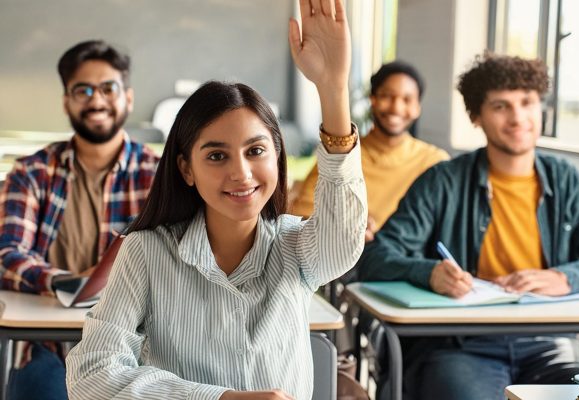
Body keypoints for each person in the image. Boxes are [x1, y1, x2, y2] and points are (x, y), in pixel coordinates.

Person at [65, 1, 367, 399]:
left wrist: (333, 89)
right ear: (186, 169)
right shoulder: (147, 251)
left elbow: (343, 243)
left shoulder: (295, 245)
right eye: (216, 156)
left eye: (256, 151)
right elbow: (91, 376)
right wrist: (219, 399)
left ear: (277, 156)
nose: (241, 172)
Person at [357, 52, 579, 400]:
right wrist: (430, 273)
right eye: (501, 106)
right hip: (460, 345)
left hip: (550, 341)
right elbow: (376, 255)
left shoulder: (567, 182)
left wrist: (565, 278)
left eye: (527, 103)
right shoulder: (442, 181)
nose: (518, 117)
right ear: (476, 117)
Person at [0, 40, 160, 399]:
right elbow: (7, 253)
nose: (96, 100)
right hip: (47, 346)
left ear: (128, 98)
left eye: (108, 88)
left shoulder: (158, 176)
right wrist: (67, 283)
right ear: (66, 101)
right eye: (83, 90)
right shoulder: (32, 172)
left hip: (134, 348)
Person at [291, 60, 448, 241]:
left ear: (417, 108)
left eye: (407, 100)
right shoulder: (342, 155)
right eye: (387, 96)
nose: (396, 108)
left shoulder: (434, 162)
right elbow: (300, 217)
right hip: (348, 259)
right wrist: (344, 225)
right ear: (372, 100)